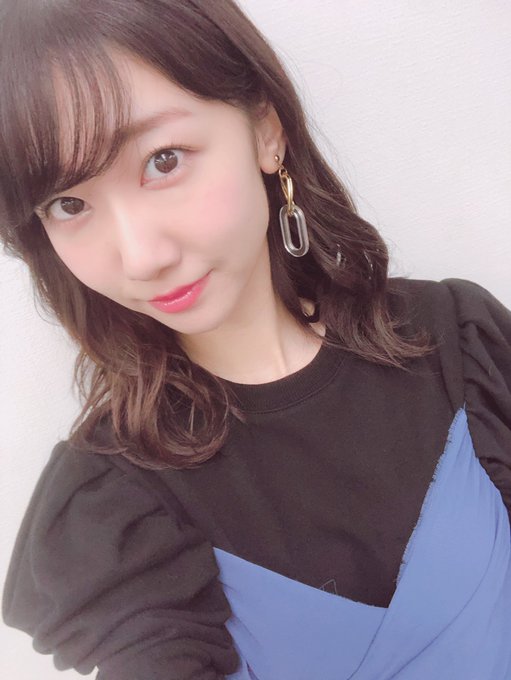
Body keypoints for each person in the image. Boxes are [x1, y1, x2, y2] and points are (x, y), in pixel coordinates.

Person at [1, 1, 510, 678]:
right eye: (70, 204)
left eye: (163, 160)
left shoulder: (459, 342)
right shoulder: (110, 509)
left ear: (266, 131)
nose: (141, 256)